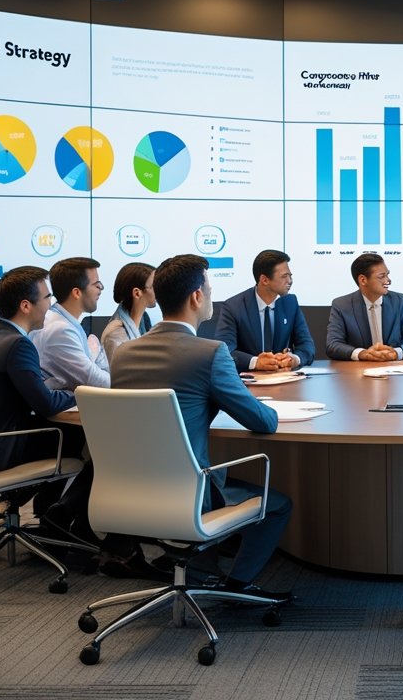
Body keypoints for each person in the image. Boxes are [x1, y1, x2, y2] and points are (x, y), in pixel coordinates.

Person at [109, 254, 294, 597]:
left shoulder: (124, 353)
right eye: (209, 289)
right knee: (279, 504)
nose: (211, 296)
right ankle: (238, 587)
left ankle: (198, 569)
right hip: (189, 495)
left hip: (128, 491)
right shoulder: (209, 353)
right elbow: (264, 421)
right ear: (196, 297)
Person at [0, 266, 81, 504]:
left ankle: (27, 506)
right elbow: (46, 404)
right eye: (47, 297)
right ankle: (53, 515)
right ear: (26, 306)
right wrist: (79, 393)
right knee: (84, 436)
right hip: (3, 450)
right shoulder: (18, 345)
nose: (51, 305)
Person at [216, 249, 315, 371]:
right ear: (264, 280)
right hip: (248, 378)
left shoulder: (290, 302)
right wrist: (255, 362)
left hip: (283, 377)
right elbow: (224, 351)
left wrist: (295, 359)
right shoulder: (233, 307)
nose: (290, 281)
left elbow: (307, 345)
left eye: (290, 276)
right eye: (284, 276)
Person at [326, 253, 403, 361]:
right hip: (358, 369)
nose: (388, 280)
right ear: (363, 280)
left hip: (393, 368)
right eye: (382, 276)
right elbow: (333, 345)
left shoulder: (399, 301)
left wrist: (396, 353)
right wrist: (362, 354)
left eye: (387, 274)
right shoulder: (341, 305)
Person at [33, 257, 109, 391]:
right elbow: (93, 380)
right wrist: (128, 382)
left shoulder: (63, 320)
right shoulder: (60, 329)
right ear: (76, 293)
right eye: (96, 284)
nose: (101, 288)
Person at [100, 262, 156, 362]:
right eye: (154, 286)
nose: (159, 290)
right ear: (137, 293)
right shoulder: (115, 335)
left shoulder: (144, 319)